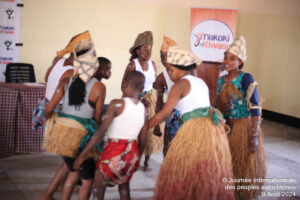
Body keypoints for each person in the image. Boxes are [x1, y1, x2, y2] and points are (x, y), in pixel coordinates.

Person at [148, 46, 235, 200]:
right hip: (209, 131)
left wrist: (144, 126)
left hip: (192, 131)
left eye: (170, 70)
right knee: (201, 169)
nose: (169, 74)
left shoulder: (180, 85)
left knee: (183, 169)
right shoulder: (199, 82)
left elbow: (164, 114)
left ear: (182, 69)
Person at [43, 31, 106, 200]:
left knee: (72, 171)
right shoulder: (99, 87)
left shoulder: (66, 79)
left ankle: (48, 195)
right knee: (86, 180)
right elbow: (98, 118)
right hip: (82, 135)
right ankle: (48, 195)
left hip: (62, 132)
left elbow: (48, 110)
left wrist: (56, 121)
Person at [74, 70, 148, 200]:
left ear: (124, 84)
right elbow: (143, 140)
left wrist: (82, 155)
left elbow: (100, 132)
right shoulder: (144, 110)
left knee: (98, 190)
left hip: (114, 151)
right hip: (132, 154)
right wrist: (137, 160)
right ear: (142, 89)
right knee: (124, 189)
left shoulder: (117, 104)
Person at [216, 36, 266, 200]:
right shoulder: (220, 80)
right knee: (226, 162)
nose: (227, 61)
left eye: (232, 58)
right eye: (225, 57)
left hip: (243, 128)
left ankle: (241, 193)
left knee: (241, 163)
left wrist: (254, 136)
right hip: (226, 127)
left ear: (240, 61)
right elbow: (219, 107)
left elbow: (255, 108)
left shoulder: (246, 78)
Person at [122, 30, 163, 171]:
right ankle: (130, 158)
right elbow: (124, 87)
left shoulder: (153, 64)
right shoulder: (132, 65)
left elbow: (155, 84)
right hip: (134, 101)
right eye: (145, 48)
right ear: (137, 51)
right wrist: (139, 99)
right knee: (134, 131)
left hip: (150, 99)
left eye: (150, 49)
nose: (149, 51)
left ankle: (146, 160)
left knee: (150, 133)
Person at [153, 35, 182, 156]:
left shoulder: (185, 71)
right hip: (172, 117)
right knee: (168, 149)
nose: (163, 58)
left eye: (166, 55)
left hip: (188, 117)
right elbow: (159, 102)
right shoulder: (161, 78)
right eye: (161, 55)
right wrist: (156, 125)